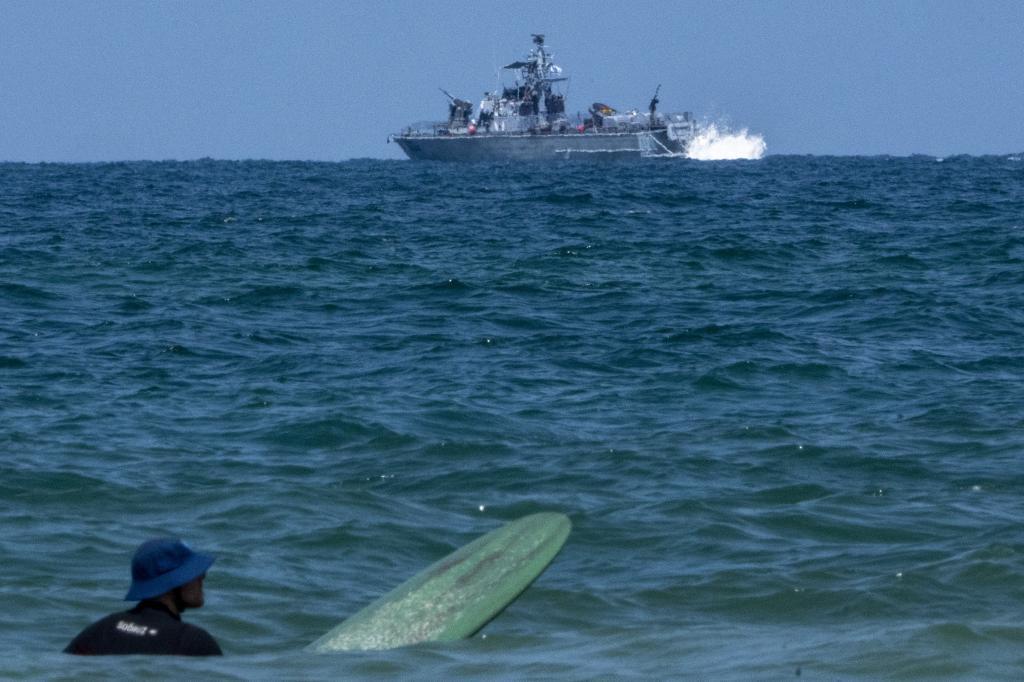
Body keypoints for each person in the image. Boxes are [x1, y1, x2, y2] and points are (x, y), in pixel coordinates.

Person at [64, 538, 222, 656]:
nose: (202, 576)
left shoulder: (102, 629)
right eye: (191, 572)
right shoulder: (194, 642)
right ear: (172, 582)